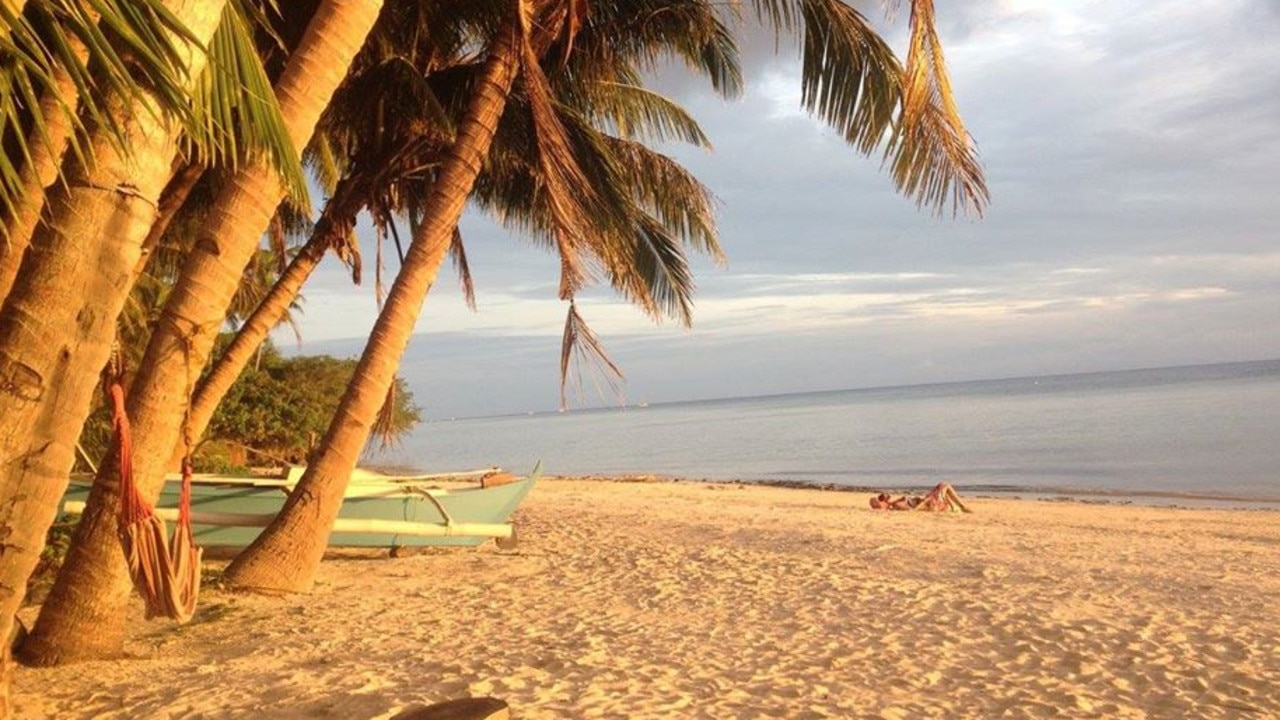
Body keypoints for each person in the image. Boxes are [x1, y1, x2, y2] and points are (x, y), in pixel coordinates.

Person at [869, 482, 972, 513]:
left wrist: (892, 500)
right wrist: (926, 500)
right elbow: (914, 509)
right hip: (929, 504)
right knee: (944, 485)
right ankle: (961, 506)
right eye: (881, 499)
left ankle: (959, 506)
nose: (884, 496)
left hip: (928, 501)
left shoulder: (895, 503)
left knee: (943, 486)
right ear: (882, 504)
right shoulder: (896, 505)